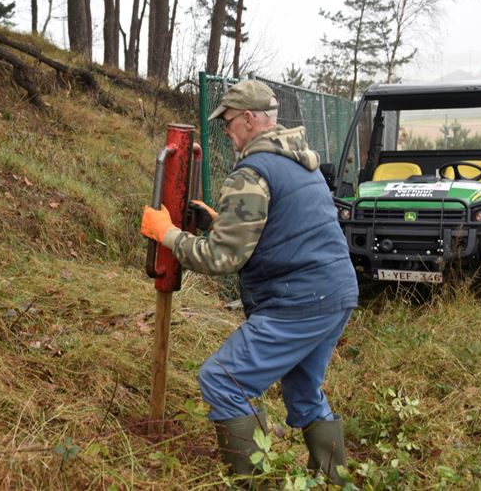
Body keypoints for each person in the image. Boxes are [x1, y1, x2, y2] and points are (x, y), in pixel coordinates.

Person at [140, 80, 358, 484]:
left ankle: (255, 483)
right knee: (304, 393)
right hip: (335, 293)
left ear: (249, 119)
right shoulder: (300, 161)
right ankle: (336, 482)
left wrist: (166, 233)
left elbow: (221, 258)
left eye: (227, 122)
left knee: (223, 380)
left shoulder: (253, 172)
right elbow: (282, 228)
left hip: (297, 301)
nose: (225, 130)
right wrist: (219, 222)